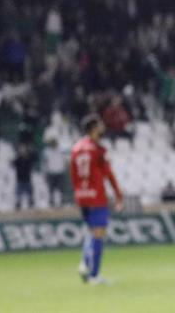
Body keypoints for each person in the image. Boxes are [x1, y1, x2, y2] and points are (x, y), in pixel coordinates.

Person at [70, 115, 123, 285]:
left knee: (92, 231)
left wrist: (79, 192)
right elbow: (108, 173)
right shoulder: (98, 149)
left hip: (82, 195)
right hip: (97, 196)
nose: (102, 127)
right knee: (98, 234)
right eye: (99, 125)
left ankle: (85, 263)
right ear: (94, 128)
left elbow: (73, 174)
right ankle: (94, 275)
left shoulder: (76, 148)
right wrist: (118, 194)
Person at [12, 140, 36, 210]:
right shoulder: (18, 159)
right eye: (21, 150)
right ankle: (18, 203)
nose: (23, 151)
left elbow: (34, 158)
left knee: (29, 191)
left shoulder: (29, 159)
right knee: (18, 192)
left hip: (27, 178)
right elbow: (13, 163)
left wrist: (32, 151)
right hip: (20, 179)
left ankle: (30, 202)